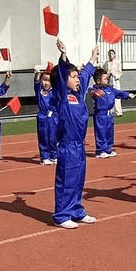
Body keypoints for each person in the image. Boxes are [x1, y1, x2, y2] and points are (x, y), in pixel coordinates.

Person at [51, 39, 98, 229]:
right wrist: (63, 55)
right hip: (67, 146)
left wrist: (93, 59)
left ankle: (76, 210)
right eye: (73, 77)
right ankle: (62, 214)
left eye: (77, 76)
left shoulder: (78, 95)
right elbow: (62, 74)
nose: (77, 79)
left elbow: (86, 75)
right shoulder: (61, 95)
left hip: (79, 146)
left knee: (78, 179)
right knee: (67, 180)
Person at [90, 67, 134, 158]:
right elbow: (92, 93)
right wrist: (95, 93)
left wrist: (128, 95)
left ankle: (108, 149)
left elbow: (118, 93)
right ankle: (101, 150)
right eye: (105, 79)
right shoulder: (95, 89)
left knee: (109, 132)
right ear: (98, 81)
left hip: (110, 114)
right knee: (101, 132)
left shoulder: (110, 89)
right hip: (100, 115)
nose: (107, 80)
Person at [34, 68, 58, 165]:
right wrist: (37, 74)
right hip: (43, 116)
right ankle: (45, 156)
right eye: (44, 80)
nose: (46, 83)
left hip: (53, 116)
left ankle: (54, 155)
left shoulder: (54, 91)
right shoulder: (39, 91)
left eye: (49, 80)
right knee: (44, 137)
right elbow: (36, 82)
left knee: (53, 137)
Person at [104, 49, 124, 117]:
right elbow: (104, 70)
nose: (110, 55)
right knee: (109, 96)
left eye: (112, 53)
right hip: (109, 81)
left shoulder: (117, 62)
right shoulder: (106, 63)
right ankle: (110, 111)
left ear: (114, 54)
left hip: (115, 81)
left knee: (117, 96)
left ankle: (118, 112)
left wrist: (115, 76)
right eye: (109, 54)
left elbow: (120, 72)